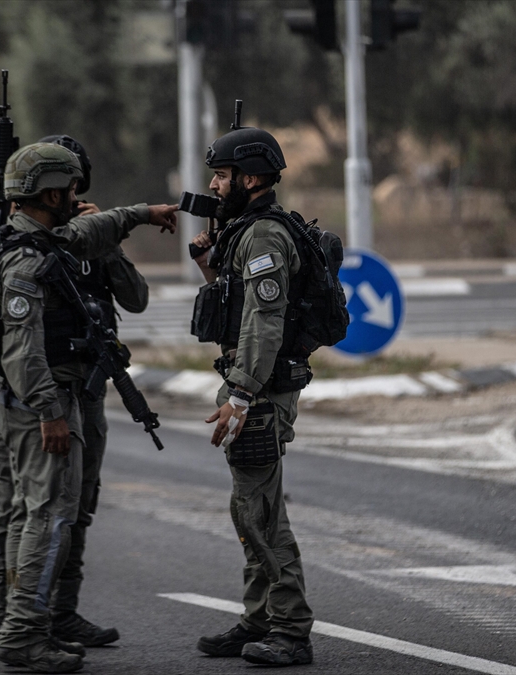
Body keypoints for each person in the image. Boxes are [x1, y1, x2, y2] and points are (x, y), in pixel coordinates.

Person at [0, 142, 175, 673]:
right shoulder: (26, 258)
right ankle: (21, 632)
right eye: (71, 189)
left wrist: (140, 215)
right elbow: (21, 349)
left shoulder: (46, 239)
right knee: (44, 515)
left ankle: (34, 624)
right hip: (45, 402)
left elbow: (99, 237)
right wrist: (50, 411)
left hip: (70, 394)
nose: (78, 197)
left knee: (56, 513)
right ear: (50, 192)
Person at [189, 124, 315, 666]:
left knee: (260, 514)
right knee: (250, 508)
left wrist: (240, 395)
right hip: (252, 384)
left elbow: (264, 322)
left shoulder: (265, 236)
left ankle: (290, 629)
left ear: (253, 177)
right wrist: (207, 264)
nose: (214, 186)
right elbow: (237, 304)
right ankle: (258, 617)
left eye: (222, 175)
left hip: (259, 390)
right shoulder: (246, 231)